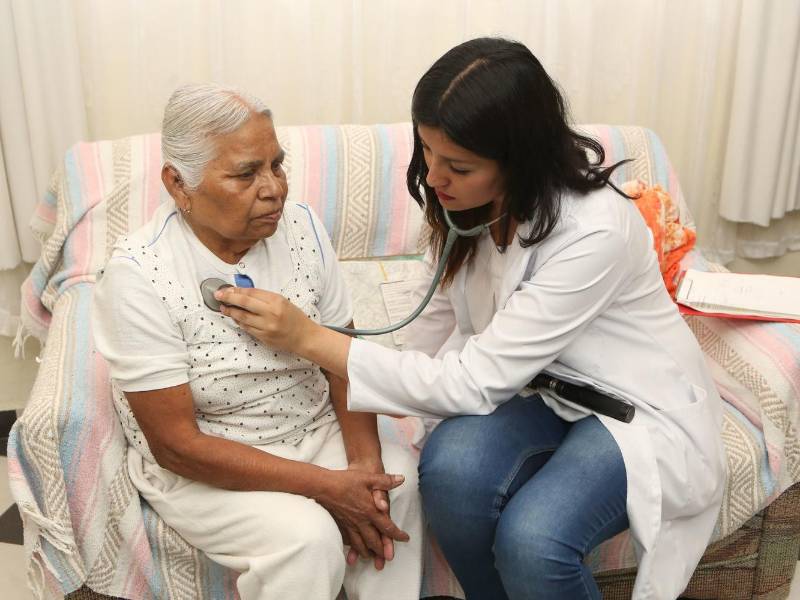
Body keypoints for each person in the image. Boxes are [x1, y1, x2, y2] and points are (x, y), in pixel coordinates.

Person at [216, 38, 727, 600]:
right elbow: (432, 328)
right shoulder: (469, 208)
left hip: (631, 411)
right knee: (452, 473)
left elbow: (470, 381)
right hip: (539, 390)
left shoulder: (593, 233)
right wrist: (359, 426)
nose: (434, 178)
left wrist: (310, 339)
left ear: (520, 159)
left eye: (457, 165)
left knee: (533, 540)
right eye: (427, 152)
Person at [92, 83, 423, 600]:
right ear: (179, 185)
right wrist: (326, 487)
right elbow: (176, 445)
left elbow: (342, 358)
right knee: (305, 538)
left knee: (395, 483)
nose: (274, 188)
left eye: (277, 165)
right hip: (212, 460)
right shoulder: (139, 274)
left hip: (312, 426)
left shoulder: (303, 228)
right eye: (246, 173)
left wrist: (362, 469)